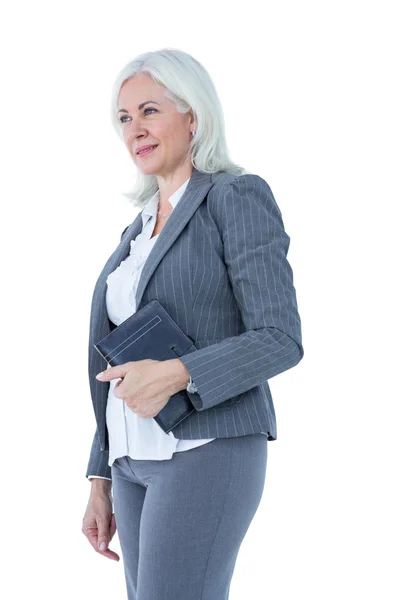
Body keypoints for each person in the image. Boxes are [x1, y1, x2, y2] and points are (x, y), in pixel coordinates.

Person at [81, 47, 304, 600]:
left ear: (193, 116)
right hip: (131, 460)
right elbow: (113, 358)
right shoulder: (135, 232)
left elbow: (280, 337)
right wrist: (100, 476)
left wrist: (179, 372)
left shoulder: (234, 197)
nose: (135, 129)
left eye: (150, 111)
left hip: (207, 448)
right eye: (125, 118)